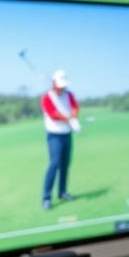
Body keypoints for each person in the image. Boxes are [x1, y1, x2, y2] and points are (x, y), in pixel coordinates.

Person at [41, 69, 79, 210]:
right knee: (54, 164)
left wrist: (74, 117)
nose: (62, 88)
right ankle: (46, 198)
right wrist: (69, 119)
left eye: (64, 85)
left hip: (67, 134)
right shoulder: (47, 98)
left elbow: (75, 107)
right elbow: (53, 115)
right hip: (54, 135)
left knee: (65, 164)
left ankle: (62, 192)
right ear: (54, 84)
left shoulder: (69, 95)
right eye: (60, 85)